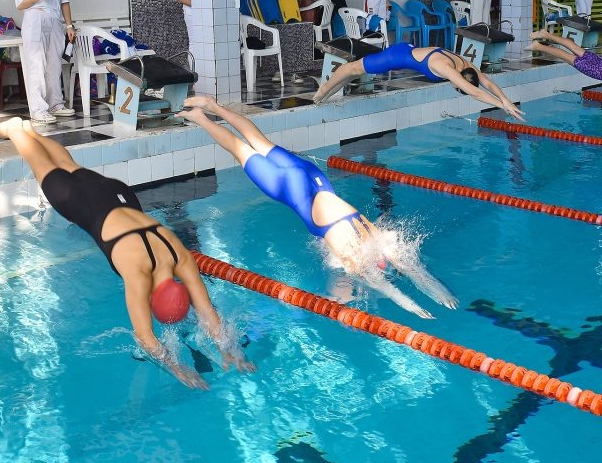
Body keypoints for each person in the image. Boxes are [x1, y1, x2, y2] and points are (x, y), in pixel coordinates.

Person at [0, 116, 254, 388]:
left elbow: (208, 313)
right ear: (153, 299)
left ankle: (31, 131)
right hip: (79, 203)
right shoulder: (138, 272)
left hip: (116, 193)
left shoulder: (179, 256)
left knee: (70, 166)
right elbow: (146, 338)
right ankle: (16, 131)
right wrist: (177, 369)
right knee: (43, 166)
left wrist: (229, 350)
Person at [178, 95, 457, 318]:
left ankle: (212, 105)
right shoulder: (353, 256)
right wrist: (407, 304)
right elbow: (384, 281)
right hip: (291, 188)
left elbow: (410, 268)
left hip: (314, 178)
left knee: (259, 141)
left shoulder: (375, 235)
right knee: (240, 150)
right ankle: (201, 118)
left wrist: (436, 291)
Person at [312, 42, 524, 120]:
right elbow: (476, 92)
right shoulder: (447, 69)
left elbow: (487, 83)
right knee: (353, 68)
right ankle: (322, 90)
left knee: (355, 73)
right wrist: (500, 105)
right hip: (397, 57)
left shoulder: (465, 64)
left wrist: (506, 100)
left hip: (409, 50)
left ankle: (327, 91)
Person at [13, 0, 76, 125]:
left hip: (54, 20)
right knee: (37, 65)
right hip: (35, 19)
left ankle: (55, 103)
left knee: (54, 64)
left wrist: (69, 25)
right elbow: (20, 4)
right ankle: (38, 110)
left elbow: (64, 0)